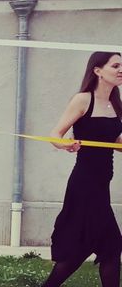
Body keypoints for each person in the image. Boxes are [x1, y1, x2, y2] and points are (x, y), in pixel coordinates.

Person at [42, 51, 122, 287]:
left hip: (102, 183)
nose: (120, 70)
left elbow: (117, 144)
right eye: (115, 65)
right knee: (106, 245)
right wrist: (66, 144)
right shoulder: (83, 100)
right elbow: (54, 135)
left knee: (104, 247)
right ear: (97, 70)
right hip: (84, 185)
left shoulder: (115, 104)